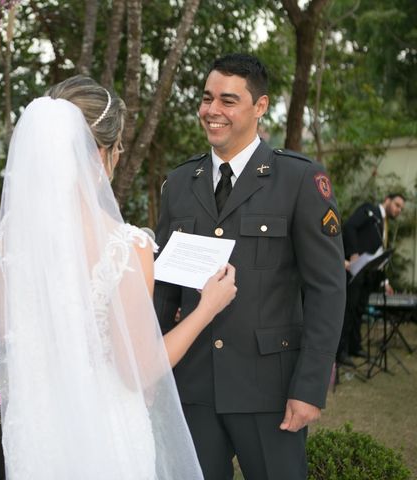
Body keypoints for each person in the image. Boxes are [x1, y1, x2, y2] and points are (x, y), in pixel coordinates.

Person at [0, 75, 236, 480]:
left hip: (40, 429)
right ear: (99, 155)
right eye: (117, 149)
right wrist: (207, 307)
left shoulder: (9, 238)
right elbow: (139, 367)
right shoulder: (126, 246)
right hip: (106, 430)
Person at [153, 53, 347, 480]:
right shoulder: (180, 183)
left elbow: (327, 291)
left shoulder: (298, 180)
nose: (212, 111)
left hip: (271, 391)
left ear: (259, 107)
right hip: (194, 388)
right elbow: (163, 290)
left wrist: (309, 387)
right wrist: (152, 374)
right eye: (207, 99)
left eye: (228, 100)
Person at [337, 193, 405, 366]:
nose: (398, 210)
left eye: (401, 209)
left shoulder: (384, 225)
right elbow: (350, 226)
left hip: (368, 274)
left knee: (359, 309)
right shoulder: (369, 210)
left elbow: (378, 253)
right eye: (397, 205)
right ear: (387, 200)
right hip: (355, 270)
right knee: (349, 309)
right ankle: (341, 351)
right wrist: (353, 253)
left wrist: (385, 282)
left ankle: (354, 345)